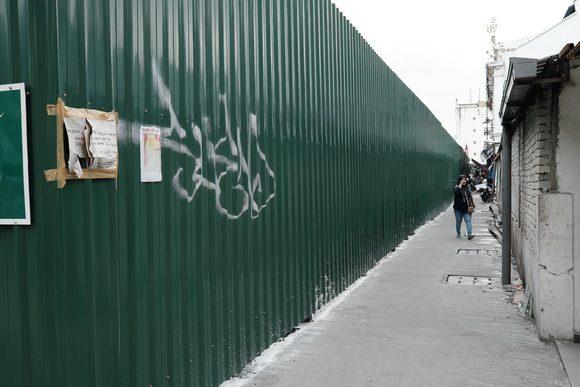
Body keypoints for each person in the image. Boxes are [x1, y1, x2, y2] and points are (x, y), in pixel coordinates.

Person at [453, 175, 475, 239]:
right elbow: (456, 192)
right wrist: (460, 184)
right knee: (458, 221)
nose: (464, 181)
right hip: (458, 208)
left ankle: (469, 234)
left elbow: (470, 196)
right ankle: (458, 233)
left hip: (466, 208)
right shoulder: (457, 187)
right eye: (462, 180)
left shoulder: (468, 187)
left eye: (465, 179)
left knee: (468, 220)